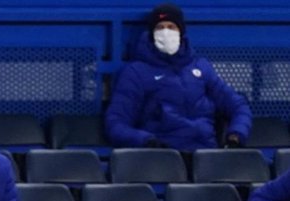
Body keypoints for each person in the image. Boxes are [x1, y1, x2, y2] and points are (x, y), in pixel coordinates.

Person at [105, 3, 251, 152]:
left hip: (207, 155)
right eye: (160, 27)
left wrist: (236, 135)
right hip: (162, 158)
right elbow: (116, 123)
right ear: (151, 33)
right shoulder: (135, 72)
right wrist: (146, 141)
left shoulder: (201, 67)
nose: (165, 32)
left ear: (180, 32)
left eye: (171, 27)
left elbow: (238, 106)